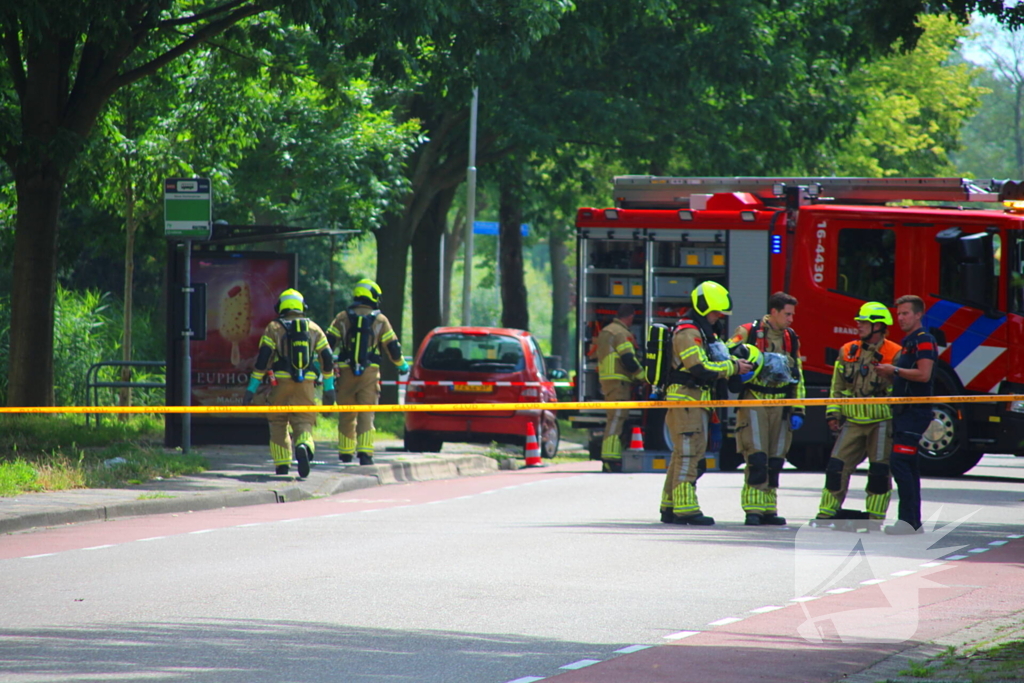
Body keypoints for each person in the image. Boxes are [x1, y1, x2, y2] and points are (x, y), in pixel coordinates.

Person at [660, 281, 752, 526]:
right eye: (714, 312)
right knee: (689, 455)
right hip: (686, 402)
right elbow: (699, 367)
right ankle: (686, 509)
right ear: (702, 308)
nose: (717, 317)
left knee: (682, 455)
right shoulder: (688, 332)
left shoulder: (700, 331)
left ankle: (670, 506)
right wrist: (733, 367)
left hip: (694, 402)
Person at [815, 302, 901, 524]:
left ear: (879, 326)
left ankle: (875, 517)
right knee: (836, 466)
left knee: (880, 471)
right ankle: (827, 513)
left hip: (882, 421)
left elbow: (900, 391)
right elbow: (837, 386)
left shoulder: (895, 353)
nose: (859, 326)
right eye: (859, 322)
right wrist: (833, 414)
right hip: (852, 421)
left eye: (864, 322)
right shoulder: (846, 350)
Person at [727, 291, 805, 526]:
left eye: (792, 314)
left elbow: (797, 374)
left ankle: (769, 508)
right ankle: (753, 509)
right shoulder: (747, 332)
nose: (791, 319)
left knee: (775, 460)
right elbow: (726, 356)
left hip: (780, 404)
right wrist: (739, 370)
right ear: (774, 312)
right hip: (754, 402)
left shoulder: (791, 338)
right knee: (757, 457)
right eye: (787, 314)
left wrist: (798, 409)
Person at [242, 288, 335, 478]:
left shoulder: (273, 328)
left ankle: (282, 465)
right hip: (307, 384)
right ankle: (303, 445)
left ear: (281, 307)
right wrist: (329, 388)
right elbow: (327, 357)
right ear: (302, 307)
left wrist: (251, 388)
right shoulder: (314, 328)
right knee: (304, 421)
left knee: (278, 422)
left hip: (281, 382)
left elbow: (263, 360)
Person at [327, 279, 408, 465]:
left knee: (347, 412)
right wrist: (402, 365)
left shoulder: (342, 317)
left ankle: (346, 452)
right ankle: (365, 453)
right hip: (370, 372)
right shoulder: (380, 320)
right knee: (366, 413)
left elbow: (328, 344)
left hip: (346, 372)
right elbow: (393, 348)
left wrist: (322, 368)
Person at [875, 295, 937, 535]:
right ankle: (912, 521)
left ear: (918, 314)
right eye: (898, 314)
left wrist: (895, 369)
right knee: (908, 466)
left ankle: (908, 522)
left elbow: (923, 374)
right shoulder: (908, 341)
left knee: (900, 463)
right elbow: (906, 376)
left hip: (915, 412)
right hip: (904, 413)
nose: (900, 318)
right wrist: (889, 375)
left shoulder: (924, 340)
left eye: (905, 313)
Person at [595, 303, 644, 472]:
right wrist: (642, 376)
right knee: (616, 419)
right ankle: (610, 458)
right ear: (630, 316)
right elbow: (628, 359)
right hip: (619, 382)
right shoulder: (621, 333)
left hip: (609, 381)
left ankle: (610, 457)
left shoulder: (607, 330)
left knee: (614, 419)